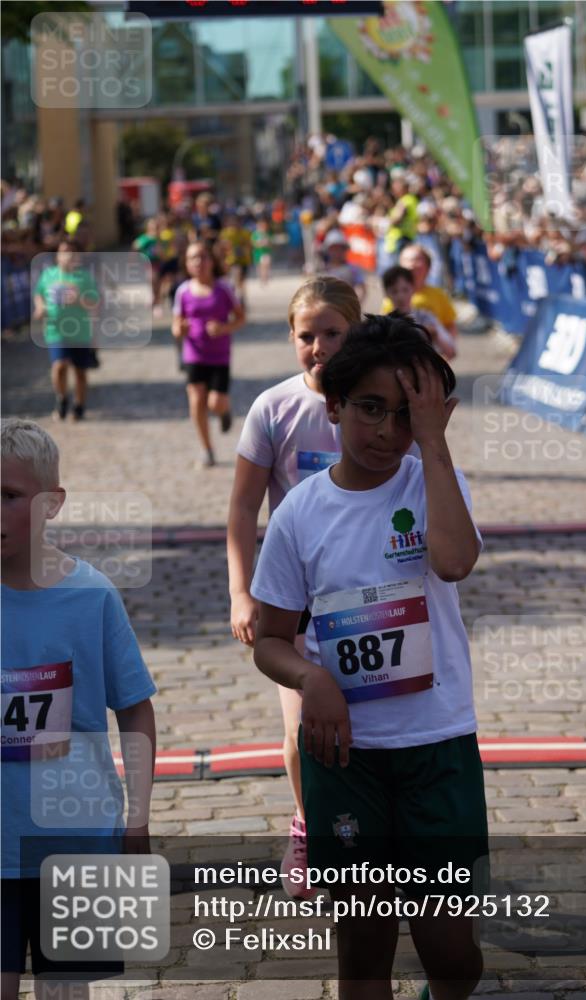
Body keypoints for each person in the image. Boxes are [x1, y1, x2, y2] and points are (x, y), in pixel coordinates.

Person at [251, 314, 487, 1000]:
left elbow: (452, 562)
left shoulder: (431, 481)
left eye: (404, 413)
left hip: (435, 743)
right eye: (369, 409)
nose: (387, 431)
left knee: (448, 950)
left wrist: (434, 445)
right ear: (334, 407)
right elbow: (270, 638)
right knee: (362, 949)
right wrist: (309, 676)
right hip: (344, 755)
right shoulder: (300, 513)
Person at [1, 418, 156, 1000]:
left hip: (74, 839)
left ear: (51, 504)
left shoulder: (91, 596)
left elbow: (135, 710)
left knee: (65, 990)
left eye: (9, 496)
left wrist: (137, 817)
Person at [227, 277, 362, 896]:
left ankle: (362, 830)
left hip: (364, 595)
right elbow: (242, 511)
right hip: (295, 598)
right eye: (307, 336)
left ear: (356, 331)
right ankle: (308, 823)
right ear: (292, 339)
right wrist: (241, 592)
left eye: (333, 333)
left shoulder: (374, 403)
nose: (320, 347)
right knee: (300, 729)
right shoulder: (273, 409)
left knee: (364, 726)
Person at [172, 241, 246, 467]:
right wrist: (180, 330)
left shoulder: (223, 289)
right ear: (187, 263)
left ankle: (224, 411)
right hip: (194, 354)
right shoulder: (183, 291)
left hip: (220, 356)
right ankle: (207, 450)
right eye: (192, 258)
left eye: (202, 257)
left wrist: (223, 329)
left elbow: (240, 318)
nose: (198, 262)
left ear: (211, 261)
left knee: (215, 403)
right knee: (196, 401)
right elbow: (176, 326)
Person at [33, 239, 100, 422]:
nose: (68, 255)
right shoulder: (49, 275)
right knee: (59, 366)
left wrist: (78, 299)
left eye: (71, 251)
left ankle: (79, 406)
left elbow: (94, 302)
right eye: (64, 251)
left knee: (80, 371)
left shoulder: (84, 277)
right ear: (57, 256)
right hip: (56, 329)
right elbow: (39, 293)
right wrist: (40, 307)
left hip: (80, 330)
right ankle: (62, 397)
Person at [382, 265, 456, 361]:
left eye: (405, 290)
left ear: (413, 289)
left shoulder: (426, 318)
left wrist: (435, 334)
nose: (400, 296)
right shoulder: (383, 325)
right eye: (394, 291)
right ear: (386, 293)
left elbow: (451, 352)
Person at [392, 244, 459, 342]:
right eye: (406, 260)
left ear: (428, 266)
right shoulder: (393, 296)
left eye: (417, 259)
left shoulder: (439, 295)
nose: (411, 264)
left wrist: (446, 347)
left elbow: (450, 326)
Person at [319, 230, 367, 305]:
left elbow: (361, 289)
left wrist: (356, 305)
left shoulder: (353, 269)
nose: (336, 252)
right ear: (328, 250)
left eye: (339, 248)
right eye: (333, 249)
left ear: (345, 249)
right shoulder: (322, 269)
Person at [251, 216, 273, 285]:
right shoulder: (255, 234)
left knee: (266, 266)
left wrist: (267, 243)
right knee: (260, 267)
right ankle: (262, 278)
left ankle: (265, 278)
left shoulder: (267, 233)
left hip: (266, 253)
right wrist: (260, 243)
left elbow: (270, 244)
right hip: (258, 253)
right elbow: (253, 243)